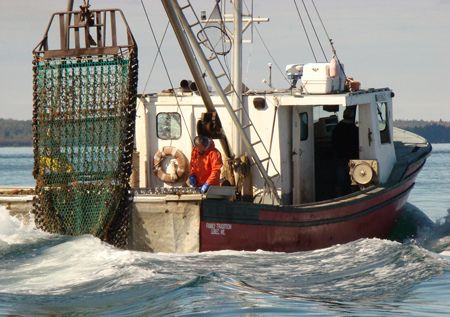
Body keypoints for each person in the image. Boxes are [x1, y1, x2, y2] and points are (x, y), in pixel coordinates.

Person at [331, 106, 359, 197]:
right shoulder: (355, 130)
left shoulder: (336, 129)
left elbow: (333, 144)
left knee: (340, 183)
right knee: (354, 183)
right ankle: (353, 199)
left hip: (340, 159)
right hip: (353, 160)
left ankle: (338, 198)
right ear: (351, 117)